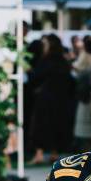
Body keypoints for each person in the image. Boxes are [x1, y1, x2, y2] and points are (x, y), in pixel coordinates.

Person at [27, 34, 75, 165]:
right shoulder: (63, 61)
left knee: (40, 125)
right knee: (56, 125)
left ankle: (39, 154)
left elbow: (36, 77)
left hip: (45, 98)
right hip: (60, 99)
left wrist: (30, 71)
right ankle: (54, 153)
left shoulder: (46, 61)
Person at [73, 36, 91, 152]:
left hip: (87, 92)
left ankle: (87, 157)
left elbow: (76, 67)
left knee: (85, 128)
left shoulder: (85, 55)